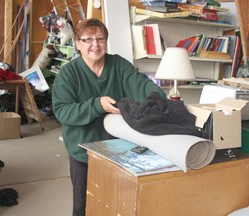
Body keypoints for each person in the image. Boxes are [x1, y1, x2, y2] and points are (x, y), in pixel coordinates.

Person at [52, 18, 166, 216]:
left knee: (116, 200)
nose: (95, 44)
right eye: (87, 39)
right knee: (83, 204)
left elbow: (140, 84)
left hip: (118, 149)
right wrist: (97, 105)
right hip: (82, 151)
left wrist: (156, 97)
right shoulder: (68, 73)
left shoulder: (119, 65)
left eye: (100, 38)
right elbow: (63, 111)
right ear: (77, 44)